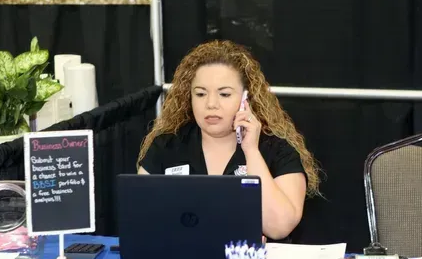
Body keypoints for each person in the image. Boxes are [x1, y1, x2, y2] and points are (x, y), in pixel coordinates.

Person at [137, 40, 321, 240]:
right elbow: (140, 220)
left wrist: (251, 151)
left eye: (224, 94)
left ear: (246, 99)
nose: (211, 104)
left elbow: (278, 227)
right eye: (200, 94)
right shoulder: (166, 146)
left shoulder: (277, 149)